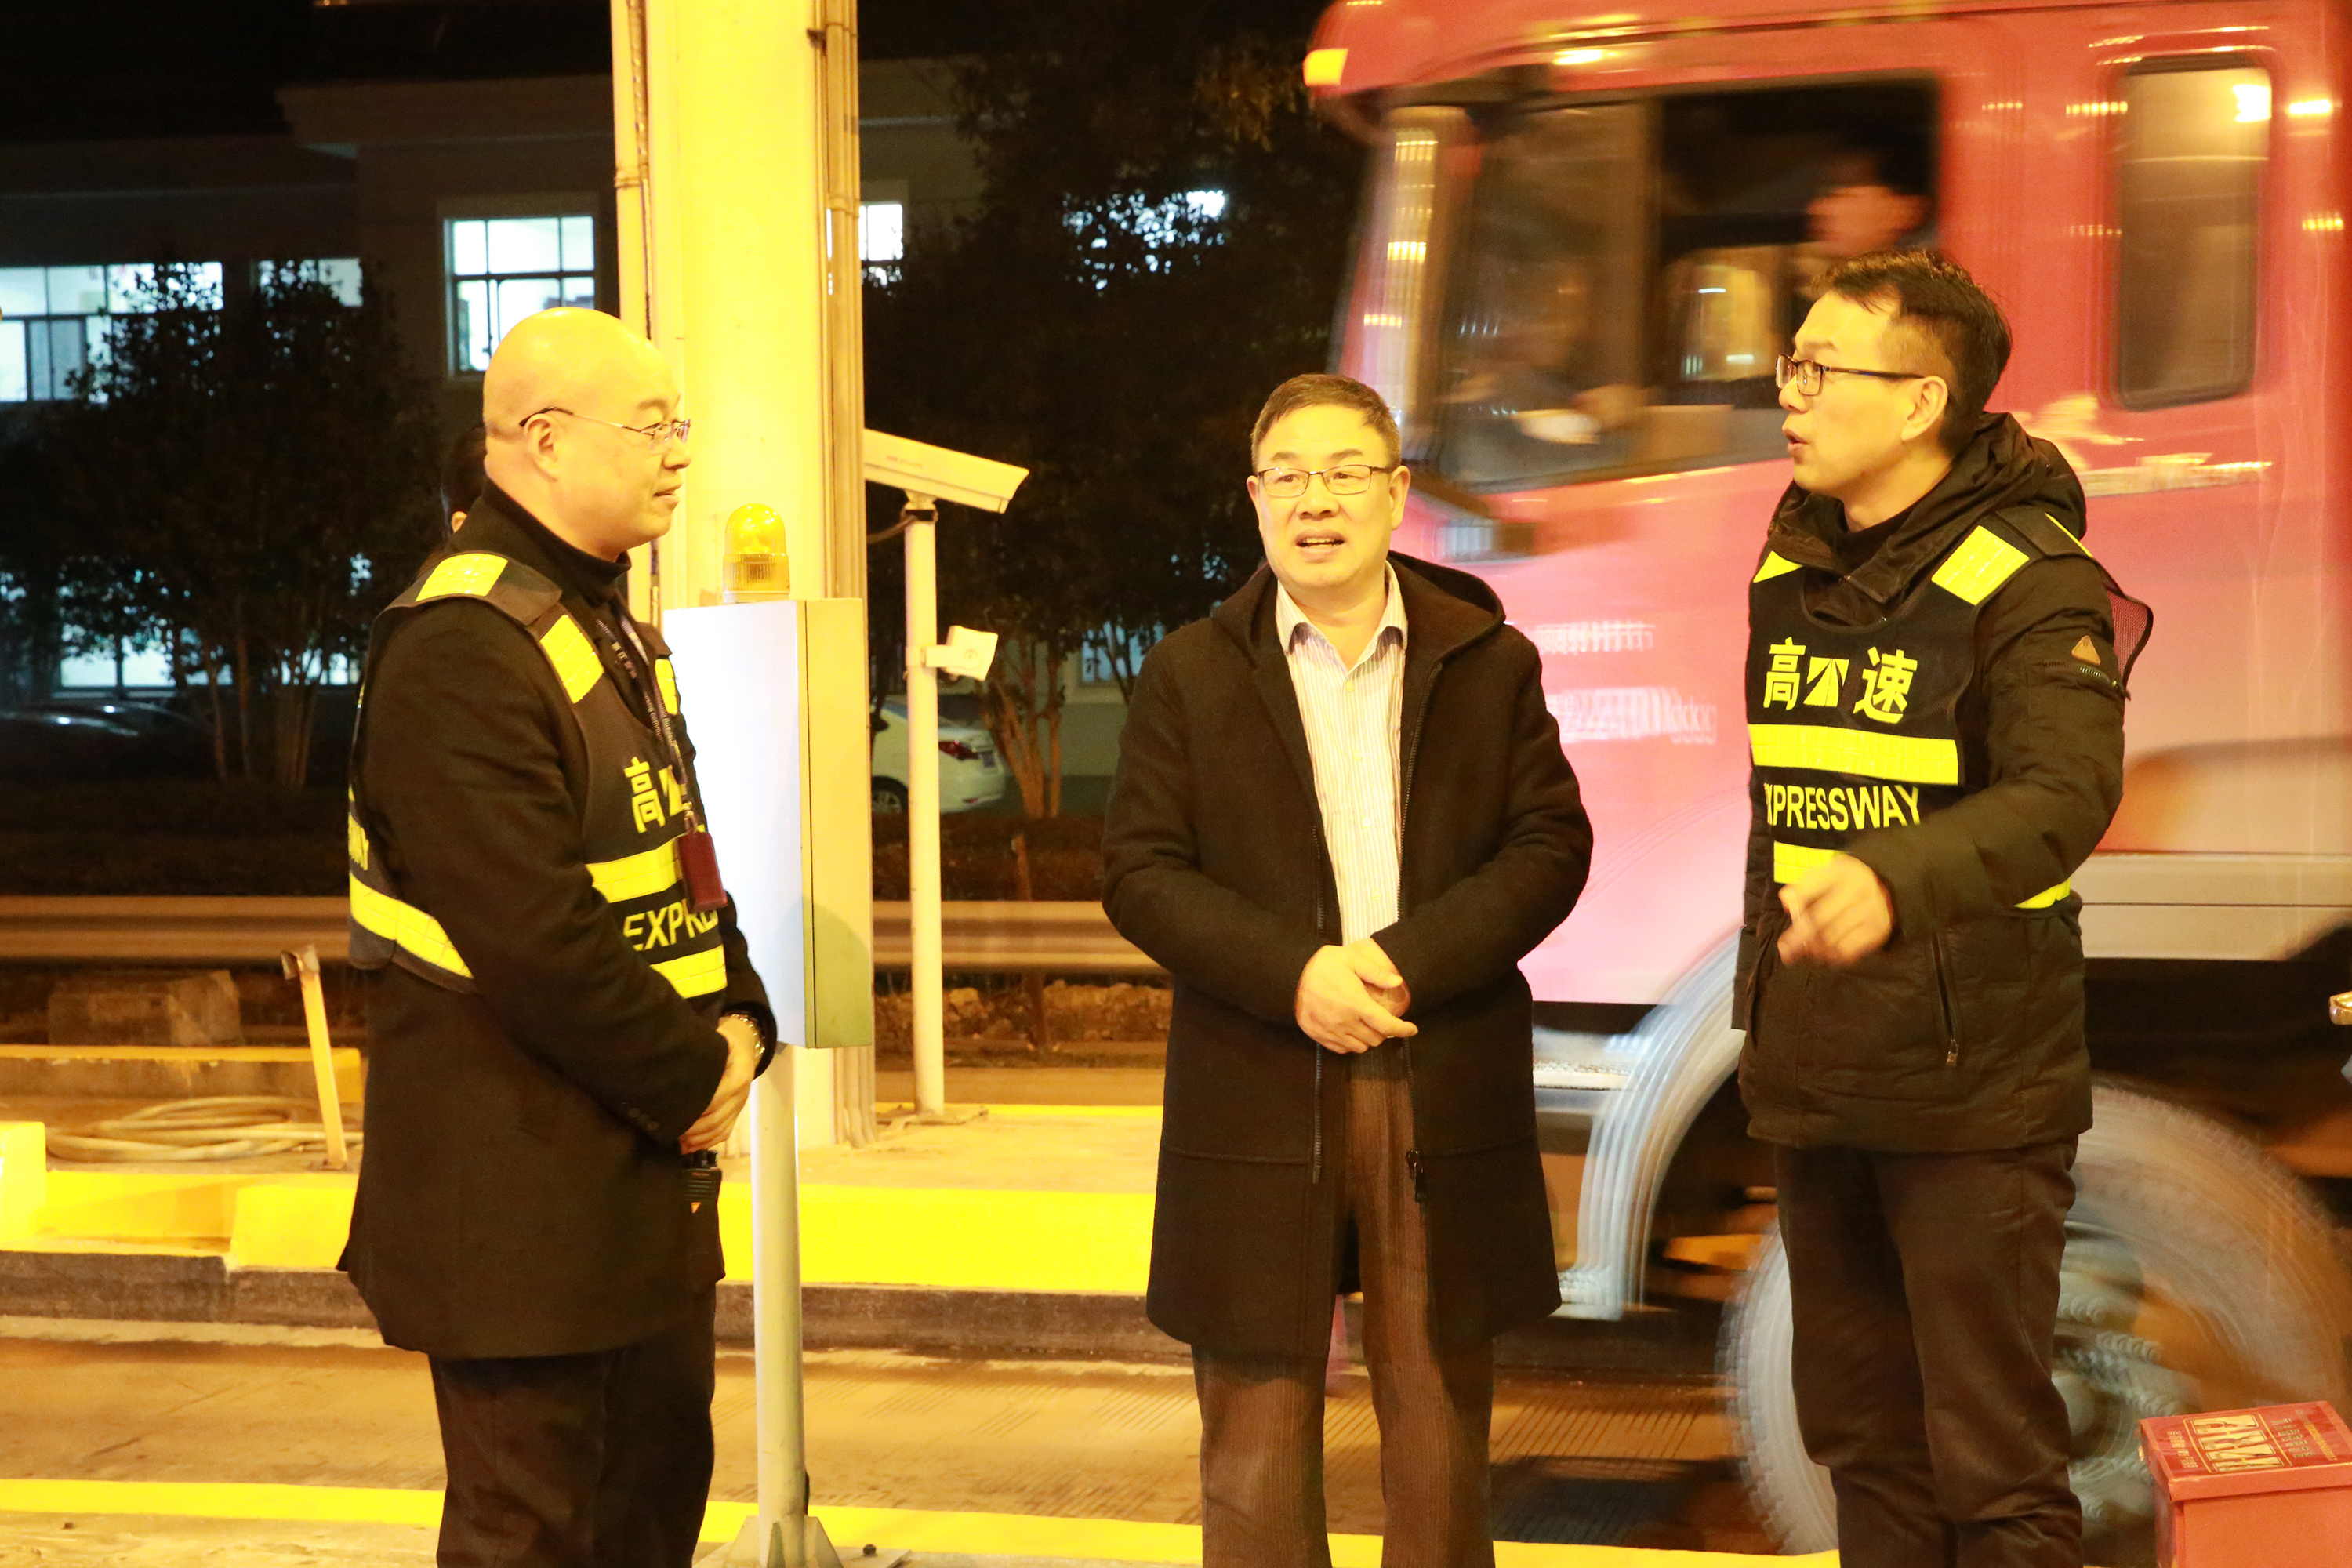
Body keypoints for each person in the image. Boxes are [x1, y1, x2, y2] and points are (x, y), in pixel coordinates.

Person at [1102, 372, 1592, 1567]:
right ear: (1255, 499)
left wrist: (1402, 964)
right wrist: (1296, 976)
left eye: (1343, 473)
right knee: (1257, 1431)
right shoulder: (1192, 671)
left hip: (1436, 1064)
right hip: (1260, 1071)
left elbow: (1549, 846)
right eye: (1288, 477)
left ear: (1395, 492)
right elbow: (1141, 872)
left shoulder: (1486, 660)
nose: (1314, 501)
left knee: (1437, 1414)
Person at [340, 307, 775, 1568]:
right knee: (533, 1533)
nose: (678, 453)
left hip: (629, 1193)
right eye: (650, 427)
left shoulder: (600, 622)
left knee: (649, 1513)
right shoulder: (461, 644)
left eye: (678, 424)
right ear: (541, 440)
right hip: (517, 1206)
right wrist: (694, 1077)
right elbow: (534, 934)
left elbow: (684, 862)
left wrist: (745, 1018)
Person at [1744, 251, 2149, 1568]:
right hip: (1820, 1070)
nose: (1790, 393)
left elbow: (2064, 795)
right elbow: (1782, 805)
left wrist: (1888, 880)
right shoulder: (1790, 560)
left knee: (1994, 1467)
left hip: (1974, 1088)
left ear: (1921, 402)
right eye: (1791, 363)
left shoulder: (2033, 575)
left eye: (1821, 369)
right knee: (1863, 1442)